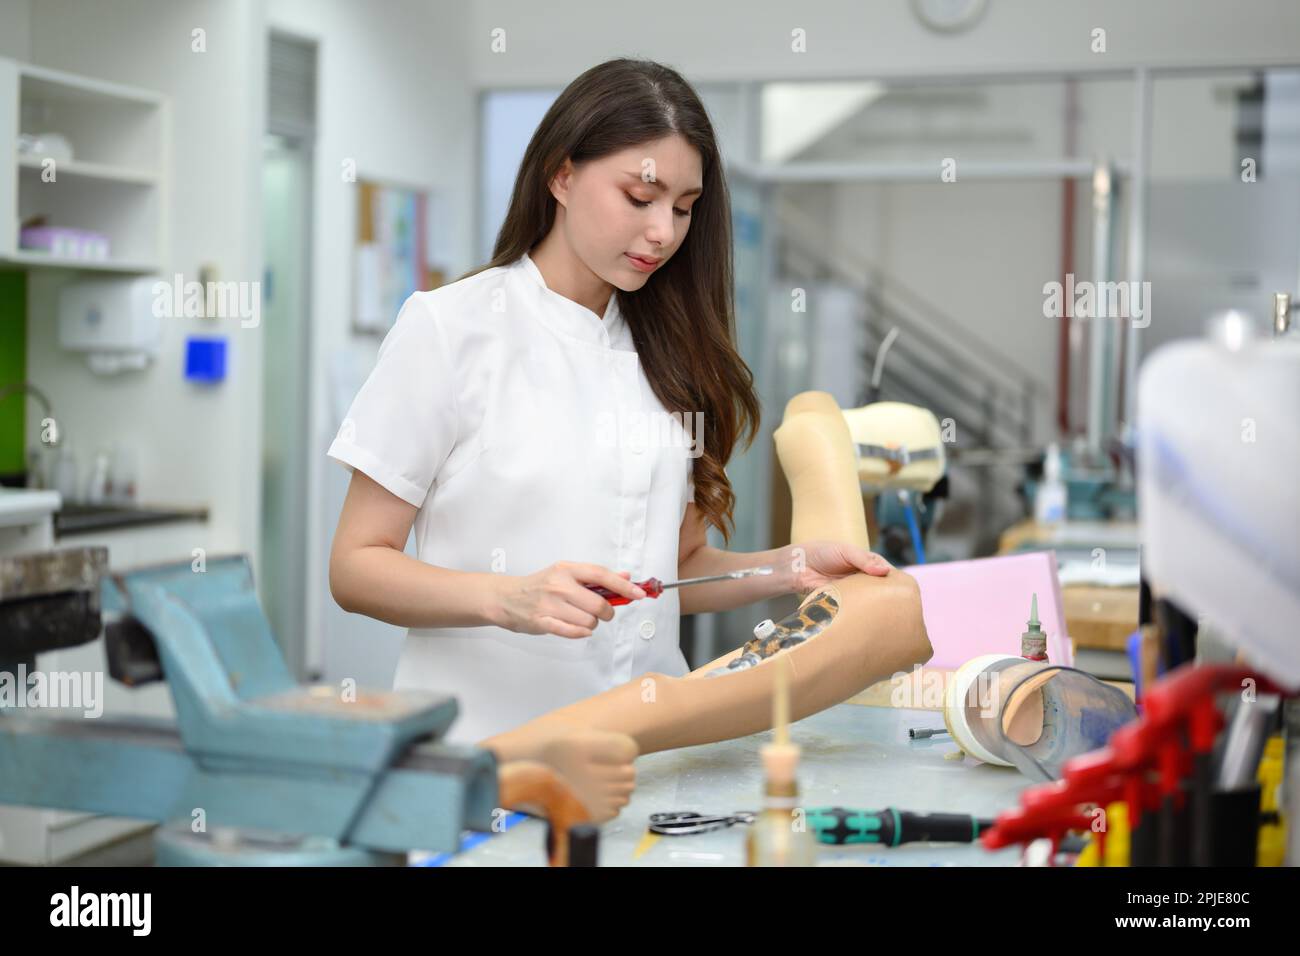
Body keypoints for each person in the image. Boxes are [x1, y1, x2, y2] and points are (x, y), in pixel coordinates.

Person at [327, 58, 888, 746]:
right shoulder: (451, 330)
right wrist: (507, 597)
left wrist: (789, 566)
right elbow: (356, 564)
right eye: (640, 197)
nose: (664, 232)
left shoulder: (672, 350)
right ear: (561, 176)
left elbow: (676, 569)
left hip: (651, 744)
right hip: (491, 751)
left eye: (684, 209)